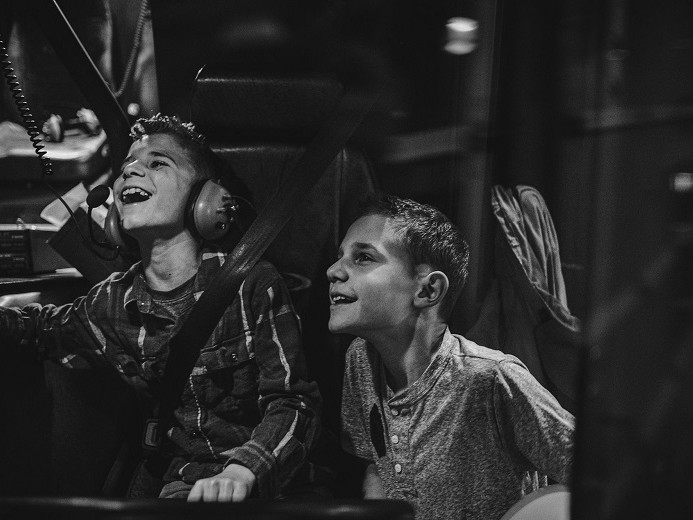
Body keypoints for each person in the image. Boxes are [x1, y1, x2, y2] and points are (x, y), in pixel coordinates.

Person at [0, 114, 321, 502]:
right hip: (181, 490)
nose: (131, 172)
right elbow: (39, 329)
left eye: (157, 163)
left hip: (267, 487)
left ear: (207, 199)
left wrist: (243, 471)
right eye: (125, 168)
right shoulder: (113, 301)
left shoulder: (251, 284)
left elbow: (294, 402)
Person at [327, 194, 574, 520]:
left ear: (428, 291)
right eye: (340, 256)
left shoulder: (492, 379)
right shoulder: (359, 361)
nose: (333, 270)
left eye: (363, 258)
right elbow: (374, 460)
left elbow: (597, 473)